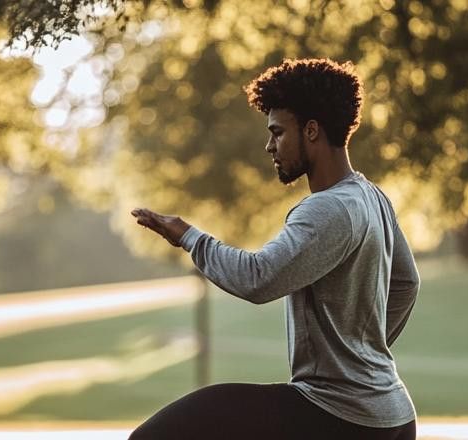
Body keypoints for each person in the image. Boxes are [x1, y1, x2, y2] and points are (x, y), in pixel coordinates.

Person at [129, 58, 420, 440]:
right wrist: (362, 352)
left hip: (339, 415)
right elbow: (407, 283)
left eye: (278, 132)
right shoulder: (372, 197)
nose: (270, 145)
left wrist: (189, 236)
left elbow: (258, 278)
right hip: (393, 415)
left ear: (312, 130)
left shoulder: (326, 208)